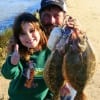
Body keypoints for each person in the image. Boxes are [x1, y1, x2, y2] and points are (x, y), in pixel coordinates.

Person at [1, 12, 52, 100]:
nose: (29, 37)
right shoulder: (17, 53)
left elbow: (53, 78)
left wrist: (49, 97)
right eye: (23, 33)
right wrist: (12, 63)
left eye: (32, 31)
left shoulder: (49, 52)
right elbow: (7, 75)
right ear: (18, 37)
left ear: (39, 29)